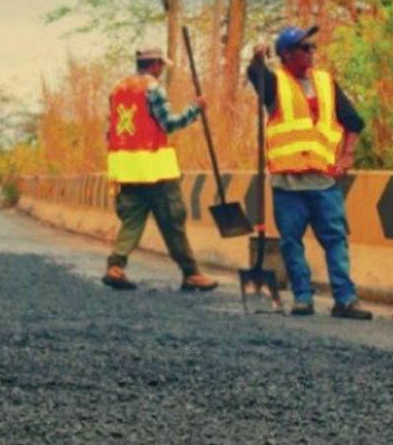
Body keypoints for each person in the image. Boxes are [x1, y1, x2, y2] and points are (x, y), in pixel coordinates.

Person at [246, 27, 372, 319]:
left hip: (323, 180)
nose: (312, 52)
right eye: (305, 48)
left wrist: (347, 156)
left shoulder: (326, 83)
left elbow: (354, 122)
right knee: (291, 242)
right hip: (287, 182)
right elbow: (256, 75)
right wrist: (256, 59)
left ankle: (345, 299)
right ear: (287, 54)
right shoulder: (275, 81)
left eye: (313, 47)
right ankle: (302, 297)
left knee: (335, 240)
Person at [104, 48, 219, 293]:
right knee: (172, 220)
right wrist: (195, 109)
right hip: (154, 167)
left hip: (125, 168)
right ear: (155, 64)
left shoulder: (117, 89)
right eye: (161, 66)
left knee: (132, 219)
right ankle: (191, 273)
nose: (162, 70)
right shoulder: (152, 88)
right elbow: (169, 123)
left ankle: (115, 266)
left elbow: (110, 130)